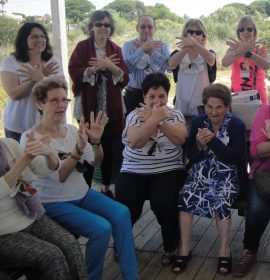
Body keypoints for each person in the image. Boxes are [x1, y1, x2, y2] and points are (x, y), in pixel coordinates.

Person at [20, 77, 138, 280]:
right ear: (39, 103)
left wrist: (95, 141)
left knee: (121, 213)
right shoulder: (31, 138)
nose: (61, 105)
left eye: (65, 100)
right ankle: (89, 277)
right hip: (53, 202)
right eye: (54, 100)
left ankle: (131, 276)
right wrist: (77, 150)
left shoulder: (72, 130)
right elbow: (61, 176)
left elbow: (96, 161)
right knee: (101, 229)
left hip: (82, 195)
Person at [173, 84, 246, 275]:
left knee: (221, 201)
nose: (214, 112)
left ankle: (224, 251)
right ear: (204, 106)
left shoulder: (236, 125)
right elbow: (192, 157)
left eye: (219, 107)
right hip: (201, 172)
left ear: (228, 107)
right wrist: (197, 144)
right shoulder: (198, 122)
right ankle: (184, 249)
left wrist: (212, 140)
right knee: (186, 194)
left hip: (228, 174)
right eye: (209, 107)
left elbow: (234, 158)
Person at [115, 73, 187, 265]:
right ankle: (121, 245)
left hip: (168, 170)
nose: (157, 101)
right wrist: (152, 120)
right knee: (125, 204)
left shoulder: (176, 114)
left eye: (161, 96)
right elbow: (136, 141)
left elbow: (180, 139)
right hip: (133, 170)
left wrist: (161, 121)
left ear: (167, 96)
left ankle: (171, 245)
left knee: (164, 201)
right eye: (152, 97)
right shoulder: (133, 115)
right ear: (144, 98)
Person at [0, 135, 87, 280]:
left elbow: (46, 168)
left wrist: (48, 153)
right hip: (3, 233)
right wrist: (25, 159)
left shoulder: (8, 145)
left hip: (30, 215)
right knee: (51, 256)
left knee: (70, 244)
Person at [68, 10, 128, 196]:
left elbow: (124, 76)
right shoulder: (82, 47)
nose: (103, 28)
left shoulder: (116, 49)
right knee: (87, 145)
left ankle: (107, 186)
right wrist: (94, 68)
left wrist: (109, 66)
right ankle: (84, 189)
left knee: (109, 147)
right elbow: (74, 70)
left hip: (111, 106)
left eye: (107, 25)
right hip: (88, 103)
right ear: (92, 26)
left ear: (111, 28)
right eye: (99, 24)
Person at [0, 22, 64, 142]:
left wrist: (41, 78)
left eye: (43, 36)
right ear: (24, 39)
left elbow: (62, 91)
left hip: (48, 124)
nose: (40, 39)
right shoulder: (10, 62)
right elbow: (14, 94)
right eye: (34, 36)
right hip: (18, 126)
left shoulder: (53, 61)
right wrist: (33, 80)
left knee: (49, 159)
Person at [233, 104, 270, 277]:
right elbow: (256, 150)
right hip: (264, 175)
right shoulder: (266, 111)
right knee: (257, 208)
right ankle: (249, 250)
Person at [169, 18, 216, 124]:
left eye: (198, 32)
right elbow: (171, 64)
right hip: (181, 104)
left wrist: (195, 45)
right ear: (185, 34)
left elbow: (211, 60)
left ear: (203, 36)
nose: (194, 35)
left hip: (202, 105)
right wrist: (187, 47)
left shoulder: (208, 53)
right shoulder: (178, 53)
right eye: (190, 32)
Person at [123, 15, 170, 115]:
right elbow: (126, 69)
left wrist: (152, 52)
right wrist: (142, 49)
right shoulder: (128, 45)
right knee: (135, 125)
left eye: (150, 27)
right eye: (143, 27)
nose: (146, 30)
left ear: (155, 29)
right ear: (137, 28)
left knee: (158, 125)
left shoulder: (163, 45)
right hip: (134, 94)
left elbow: (170, 67)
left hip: (157, 94)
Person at [222, 15, 270, 104]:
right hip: (237, 95)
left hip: (257, 96)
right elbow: (224, 63)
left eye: (249, 29)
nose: (245, 31)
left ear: (254, 32)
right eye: (242, 29)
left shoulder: (261, 49)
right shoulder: (234, 48)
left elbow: (266, 65)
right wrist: (239, 51)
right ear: (238, 32)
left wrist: (248, 53)